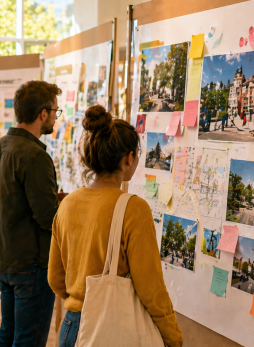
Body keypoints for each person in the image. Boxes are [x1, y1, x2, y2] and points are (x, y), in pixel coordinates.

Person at [48, 105, 183, 347]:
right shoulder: (134, 209)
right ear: (128, 158)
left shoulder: (67, 204)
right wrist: (173, 336)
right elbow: (150, 289)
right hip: (109, 328)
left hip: (70, 327)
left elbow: (55, 278)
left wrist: (81, 299)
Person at [0, 80, 62, 347]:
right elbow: (46, 217)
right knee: (28, 340)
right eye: (55, 112)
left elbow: (3, 200)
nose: (55, 118)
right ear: (43, 114)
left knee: (8, 333)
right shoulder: (35, 156)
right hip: (31, 262)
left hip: (4, 256)